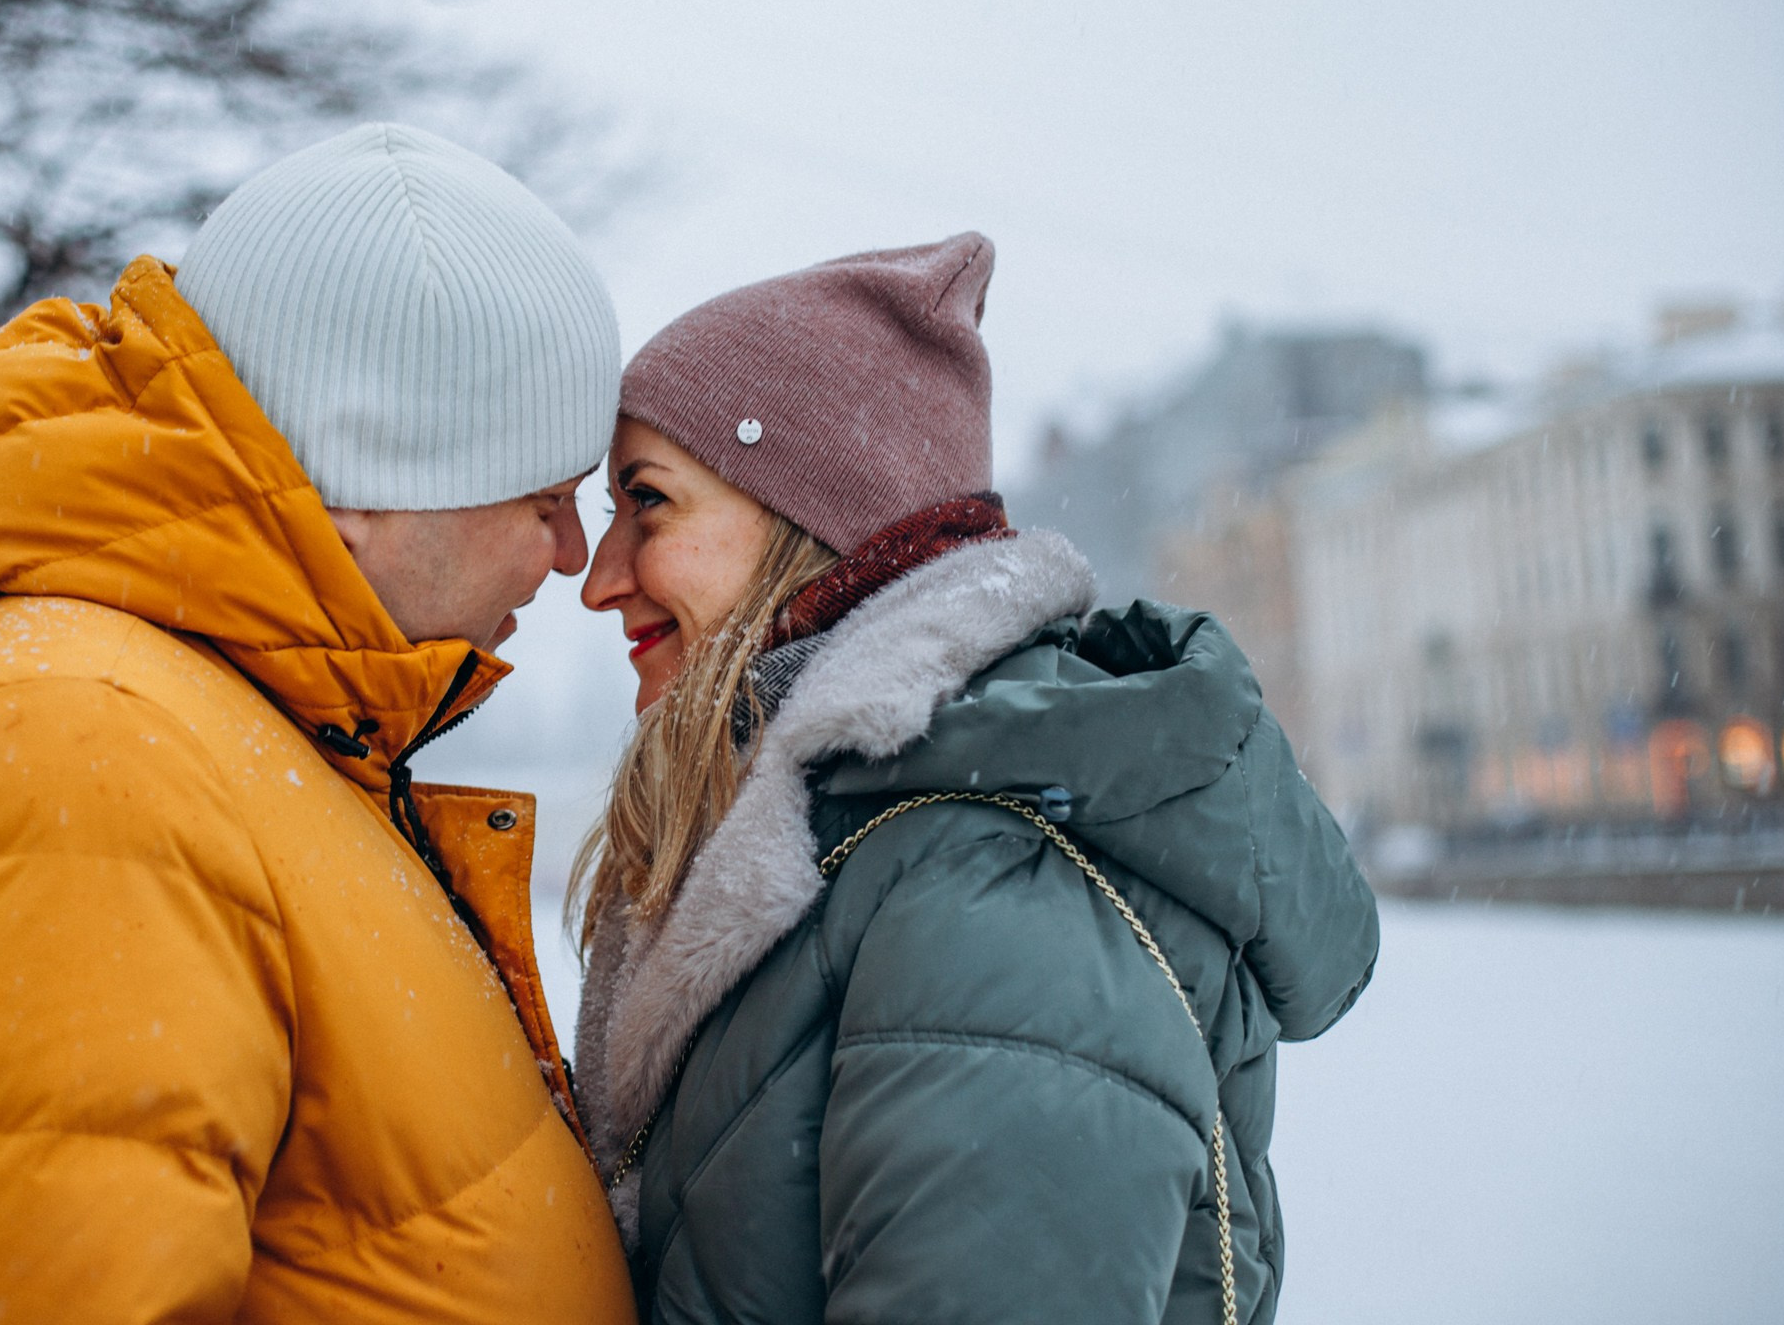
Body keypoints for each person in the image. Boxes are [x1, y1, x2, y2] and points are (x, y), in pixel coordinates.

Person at [0, 124, 637, 1323]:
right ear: (369, 483)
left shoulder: (242, 723)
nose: (571, 558)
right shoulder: (77, 747)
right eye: (546, 501)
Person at [570, 233, 1380, 1324]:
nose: (599, 575)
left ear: (809, 519)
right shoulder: (853, 844)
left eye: (648, 502)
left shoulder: (987, 883)